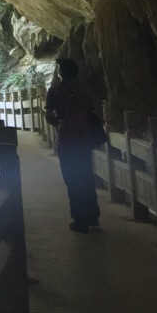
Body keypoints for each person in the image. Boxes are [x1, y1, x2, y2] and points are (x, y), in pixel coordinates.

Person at [45, 57, 103, 233]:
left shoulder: (55, 91)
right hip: (84, 139)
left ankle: (80, 220)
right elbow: (92, 111)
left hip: (68, 141)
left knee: (72, 178)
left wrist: (60, 125)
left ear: (61, 72)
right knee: (86, 175)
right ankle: (93, 216)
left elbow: (48, 116)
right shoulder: (85, 91)